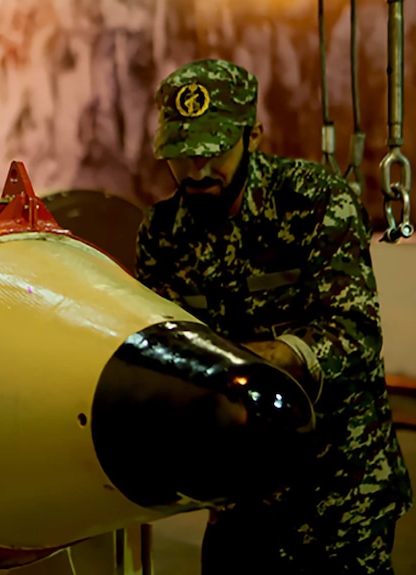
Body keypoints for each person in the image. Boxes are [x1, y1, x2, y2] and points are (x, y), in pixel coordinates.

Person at [136, 58, 413, 574]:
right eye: (181, 154)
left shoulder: (314, 202)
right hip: (238, 493)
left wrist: (250, 362)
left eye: (214, 153)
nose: (196, 171)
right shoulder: (164, 230)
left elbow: (353, 337)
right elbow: (158, 345)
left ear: (254, 135)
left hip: (338, 492)